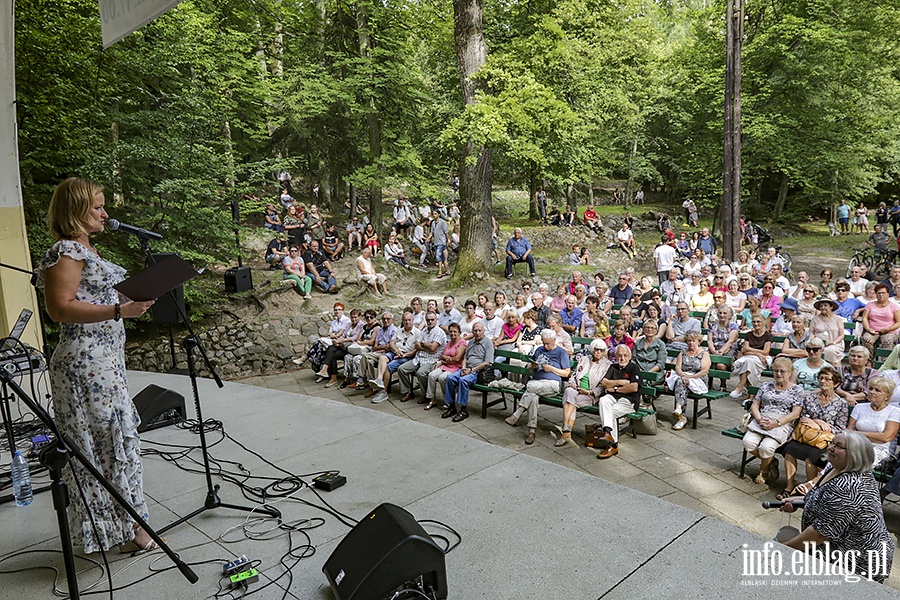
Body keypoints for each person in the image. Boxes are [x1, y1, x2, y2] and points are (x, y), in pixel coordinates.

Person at [36, 178, 157, 554]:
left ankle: (124, 529)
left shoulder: (87, 249)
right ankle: (130, 532)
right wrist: (121, 309)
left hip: (105, 361)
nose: (105, 214)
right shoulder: (67, 251)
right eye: (97, 208)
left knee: (115, 444)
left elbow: (95, 295)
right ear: (75, 212)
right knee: (106, 446)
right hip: (85, 364)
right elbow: (59, 308)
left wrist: (132, 294)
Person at [779, 431, 894, 583]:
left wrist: (783, 550)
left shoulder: (849, 487)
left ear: (855, 454)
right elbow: (821, 497)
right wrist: (800, 501)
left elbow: (819, 534)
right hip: (836, 548)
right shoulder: (835, 468)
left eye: (839, 446)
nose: (831, 448)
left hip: (856, 562)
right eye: (832, 443)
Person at [779, 367, 848, 494]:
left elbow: (841, 429)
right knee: (790, 450)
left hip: (825, 440)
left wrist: (821, 425)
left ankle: (810, 490)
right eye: (821, 378)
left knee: (811, 457)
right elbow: (803, 417)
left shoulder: (841, 403)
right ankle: (789, 486)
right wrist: (817, 423)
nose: (823, 381)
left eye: (828, 379)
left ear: (836, 383)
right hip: (806, 435)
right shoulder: (809, 397)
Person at [742, 357, 804, 484]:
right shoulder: (766, 385)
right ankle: (772, 461)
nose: (778, 374)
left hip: (782, 422)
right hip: (763, 419)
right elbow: (755, 405)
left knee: (766, 447)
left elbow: (796, 413)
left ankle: (763, 470)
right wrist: (759, 419)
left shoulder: (797, 390)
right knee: (748, 442)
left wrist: (777, 423)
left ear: (790, 372)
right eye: (776, 371)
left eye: (782, 371)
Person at [504, 329, 571, 445]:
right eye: (544, 343)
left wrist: (551, 369)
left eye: (548, 344)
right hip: (537, 382)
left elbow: (566, 373)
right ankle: (531, 431)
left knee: (530, 386)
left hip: (552, 384)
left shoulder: (561, 352)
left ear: (554, 341)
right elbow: (530, 367)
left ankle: (518, 413)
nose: (545, 346)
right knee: (533, 396)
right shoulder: (539, 350)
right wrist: (532, 366)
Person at [556, 339, 611, 447]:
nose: (598, 352)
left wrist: (589, 392)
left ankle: (566, 431)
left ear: (604, 351)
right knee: (568, 391)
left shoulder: (607, 365)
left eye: (601, 350)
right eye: (596, 349)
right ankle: (566, 428)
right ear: (592, 349)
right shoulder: (584, 359)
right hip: (576, 390)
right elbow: (573, 376)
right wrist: (572, 383)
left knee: (570, 401)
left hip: (590, 395)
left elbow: (603, 387)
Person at [591, 345, 643, 459]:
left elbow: (633, 388)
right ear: (615, 356)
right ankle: (608, 434)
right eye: (619, 355)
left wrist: (614, 388)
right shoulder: (613, 367)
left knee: (611, 413)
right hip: (613, 398)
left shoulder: (634, 368)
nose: (622, 358)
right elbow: (604, 383)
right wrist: (620, 382)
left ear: (630, 356)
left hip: (629, 401)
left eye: (625, 355)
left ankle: (612, 445)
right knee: (603, 400)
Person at [441, 322, 495, 421]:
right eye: (475, 330)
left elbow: (488, 362)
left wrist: (471, 370)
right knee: (450, 378)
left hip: (478, 372)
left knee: (463, 381)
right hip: (467, 368)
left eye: (480, 330)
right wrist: (464, 368)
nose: (477, 333)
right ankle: (451, 406)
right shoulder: (471, 342)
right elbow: (465, 358)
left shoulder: (488, 343)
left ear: (484, 331)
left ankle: (463, 410)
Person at [368, 311, 420, 404]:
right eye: (405, 320)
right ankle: (379, 379)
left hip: (407, 356)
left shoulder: (417, 333)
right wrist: (396, 351)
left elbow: (416, 350)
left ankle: (383, 392)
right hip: (395, 352)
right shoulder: (399, 330)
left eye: (409, 320)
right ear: (402, 321)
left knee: (388, 367)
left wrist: (405, 355)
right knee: (382, 358)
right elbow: (391, 343)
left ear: (413, 320)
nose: (407, 322)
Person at [398, 312, 447, 403]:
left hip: (432, 360)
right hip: (419, 358)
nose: (430, 322)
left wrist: (423, 343)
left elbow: (433, 348)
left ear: (436, 320)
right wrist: (428, 347)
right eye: (428, 320)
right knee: (401, 369)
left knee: (421, 373)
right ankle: (408, 392)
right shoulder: (424, 330)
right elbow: (417, 345)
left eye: (432, 319)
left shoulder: (439, 332)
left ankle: (424, 395)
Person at [666, 332, 710, 430]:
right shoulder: (682, 353)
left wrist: (691, 377)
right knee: (681, 382)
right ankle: (680, 414)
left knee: (681, 382)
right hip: (684, 377)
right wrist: (683, 375)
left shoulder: (704, 353)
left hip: (698, 380)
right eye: (689, 341)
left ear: (698, 341)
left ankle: (680, 412)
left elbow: (704, 371)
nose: (691, 343)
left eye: (693, 341)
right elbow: (677, 368)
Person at [423, 323, 467, 410]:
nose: (452, 334)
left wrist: (447, 358)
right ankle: (432, 399)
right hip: (446, 365)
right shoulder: (449, 342)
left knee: (442, 378)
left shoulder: (462, 343)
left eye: (455, 332)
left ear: (459, 333)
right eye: (450, 331)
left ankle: (448, 401)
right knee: (431, 375)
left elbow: (457, 358)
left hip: (455, 367)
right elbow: (442, 355)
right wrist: (446, 358)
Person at [295, 302, 351, 370]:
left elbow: (340, 333)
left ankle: (306, 358)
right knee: (319, 347)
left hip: (339, 342)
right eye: (335, 310)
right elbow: (329, 333)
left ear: (343, 311)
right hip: (332, 339)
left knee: (319, 344)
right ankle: (319, 369)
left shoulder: (346, 320)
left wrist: (334, 335)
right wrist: (333, 335)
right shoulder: (334, 321)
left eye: (339, 309)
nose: (337, 311)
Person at [729, 314, 774, 398]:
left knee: (748, 363)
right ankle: (751, 397)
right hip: (750, 358)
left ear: (763, 322)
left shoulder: (768, 336)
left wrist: (751, 349)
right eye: (754, 322)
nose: (756, 324)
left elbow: (766, 352)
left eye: (758, 322)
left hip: (762, 360)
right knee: (749, 364)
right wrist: (757, 353)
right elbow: (745, 352)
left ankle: (739, 387)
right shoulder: (748, 335)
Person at [318, 309, 363, 388]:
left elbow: (355, 337)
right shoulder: (349, 324)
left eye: (355, 317)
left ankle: (325, 369)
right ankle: (332, 377)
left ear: (359, 317)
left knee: (331, 349)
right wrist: (339, 340)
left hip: (351, 348)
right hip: (343, 346)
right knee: (332, 351)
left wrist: (342, 340)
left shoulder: (361, 325)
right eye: (352, 317)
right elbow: (344, 334)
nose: (353, 319)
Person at [860, 283, 900, 357]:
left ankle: (886, 362)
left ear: (888, 294)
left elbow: (898, 322)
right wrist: (868, 329)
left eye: (883, 293)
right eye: (879, 293)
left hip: (889, 331)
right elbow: (865, 318)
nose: (881, 295)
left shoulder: (894, 306)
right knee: (866, 339)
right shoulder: (870, 305)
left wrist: (888, 329)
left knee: (887, 340)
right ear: (876, 294)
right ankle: (868, 361)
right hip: (873, 330)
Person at [809, 297, 846, 367]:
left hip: (835, 344)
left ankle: (832, 370)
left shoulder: (838, 319)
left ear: (831, 307)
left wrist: (833, 342)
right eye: (821, 306)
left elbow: (841, 335)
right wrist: (813, 342)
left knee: (830, 350)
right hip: (818, 344)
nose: (823, 307)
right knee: (816, 350)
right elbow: (811, 333)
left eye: (825, 305)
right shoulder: (815, 319)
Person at [429, 211, 451, 278]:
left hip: (442, 242)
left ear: (438, 214)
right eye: (433, 214)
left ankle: (440, 272)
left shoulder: (442, 222)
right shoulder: (433, 223)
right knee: (443, 258)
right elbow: (432, 232)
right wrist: (428, 239)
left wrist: (449, 240)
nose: (434, 215)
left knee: (438, 257)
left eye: (435, 214)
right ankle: (448, 271)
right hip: (436, 242)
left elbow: (446, 232)